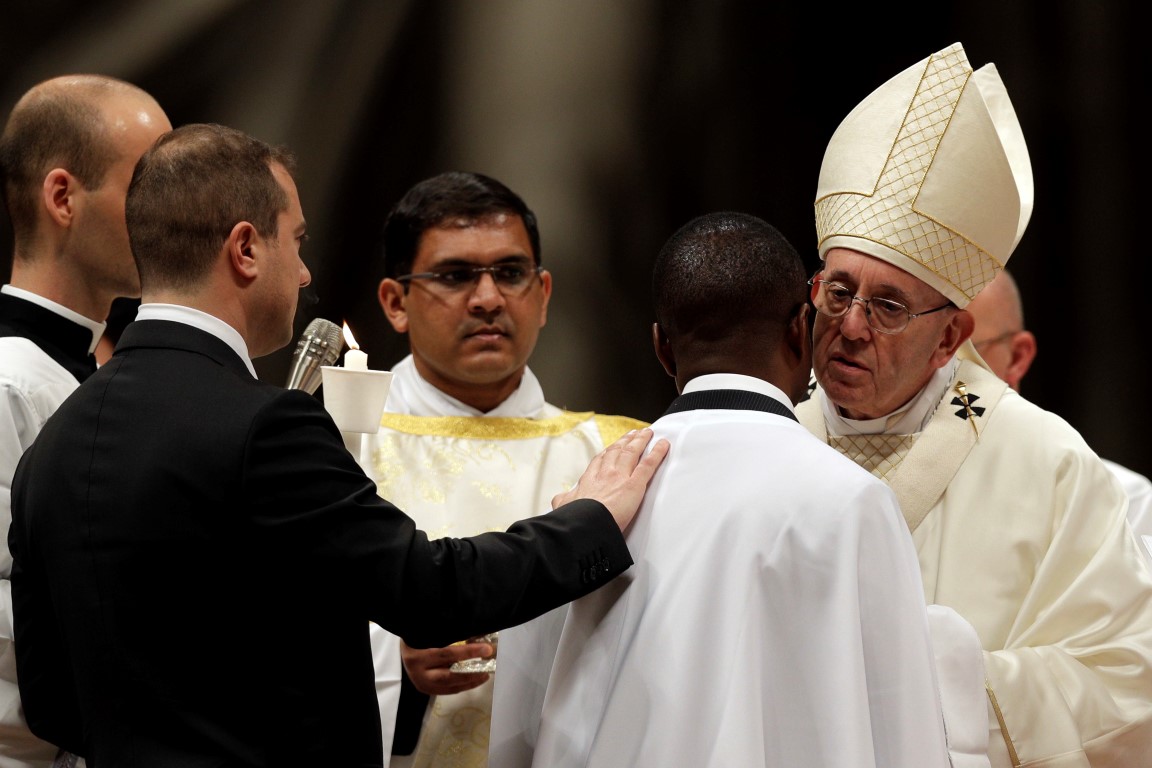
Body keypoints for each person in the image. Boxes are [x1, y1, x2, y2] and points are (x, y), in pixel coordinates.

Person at [6, 123, 667, 768]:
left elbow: (51, 704)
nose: (302, 273)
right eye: (295, 242)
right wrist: (593, 521)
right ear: (245, 249)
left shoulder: (57, 439)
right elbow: (430, 593)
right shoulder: (266, 426)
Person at [487, 211, 951, 767]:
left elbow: (520, 717)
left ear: (662, 348)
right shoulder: (853, 502)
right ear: (800, 331)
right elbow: (902, 729)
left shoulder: (588, 503)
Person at [796, 42, 1152, 765]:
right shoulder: (771, 439)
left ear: (952, 335)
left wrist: (941, 674)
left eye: (889, 306)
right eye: (838, 293)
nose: (852, 327)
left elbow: (1126, 686)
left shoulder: (1048, 463)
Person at [361, 171, 647, 767]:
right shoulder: (343, 449)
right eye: (455, 275)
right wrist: (399, 666)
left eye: (510, 274)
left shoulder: (616, 453)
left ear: (542, 295)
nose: (488, 298)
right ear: (395, 303)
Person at [0, 74, 171, 768]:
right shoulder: (10, 382)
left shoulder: (86, 369)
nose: (172, 215)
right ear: (63, 196)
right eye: (149, 188)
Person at [967, 270, 1152, 564]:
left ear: (1017, 357)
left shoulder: (1122, 500)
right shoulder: (879, 483)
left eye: (963, 353)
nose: (937, 373)